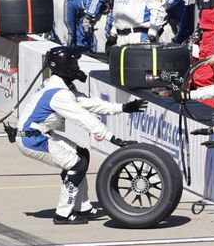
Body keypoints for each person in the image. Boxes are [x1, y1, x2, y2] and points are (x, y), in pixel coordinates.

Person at [13, 47, 147, 224]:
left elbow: (89, 103)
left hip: (37, 135)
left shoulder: (61, 85)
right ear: (64, 65)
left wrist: (123, 108)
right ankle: (63, 214)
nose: (76, 65)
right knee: (76, 164)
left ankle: (82, 207)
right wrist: (112, 138)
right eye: (73, 62)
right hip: (32, 139)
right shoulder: (59, 93)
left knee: (82, 155)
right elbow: (83, 118)